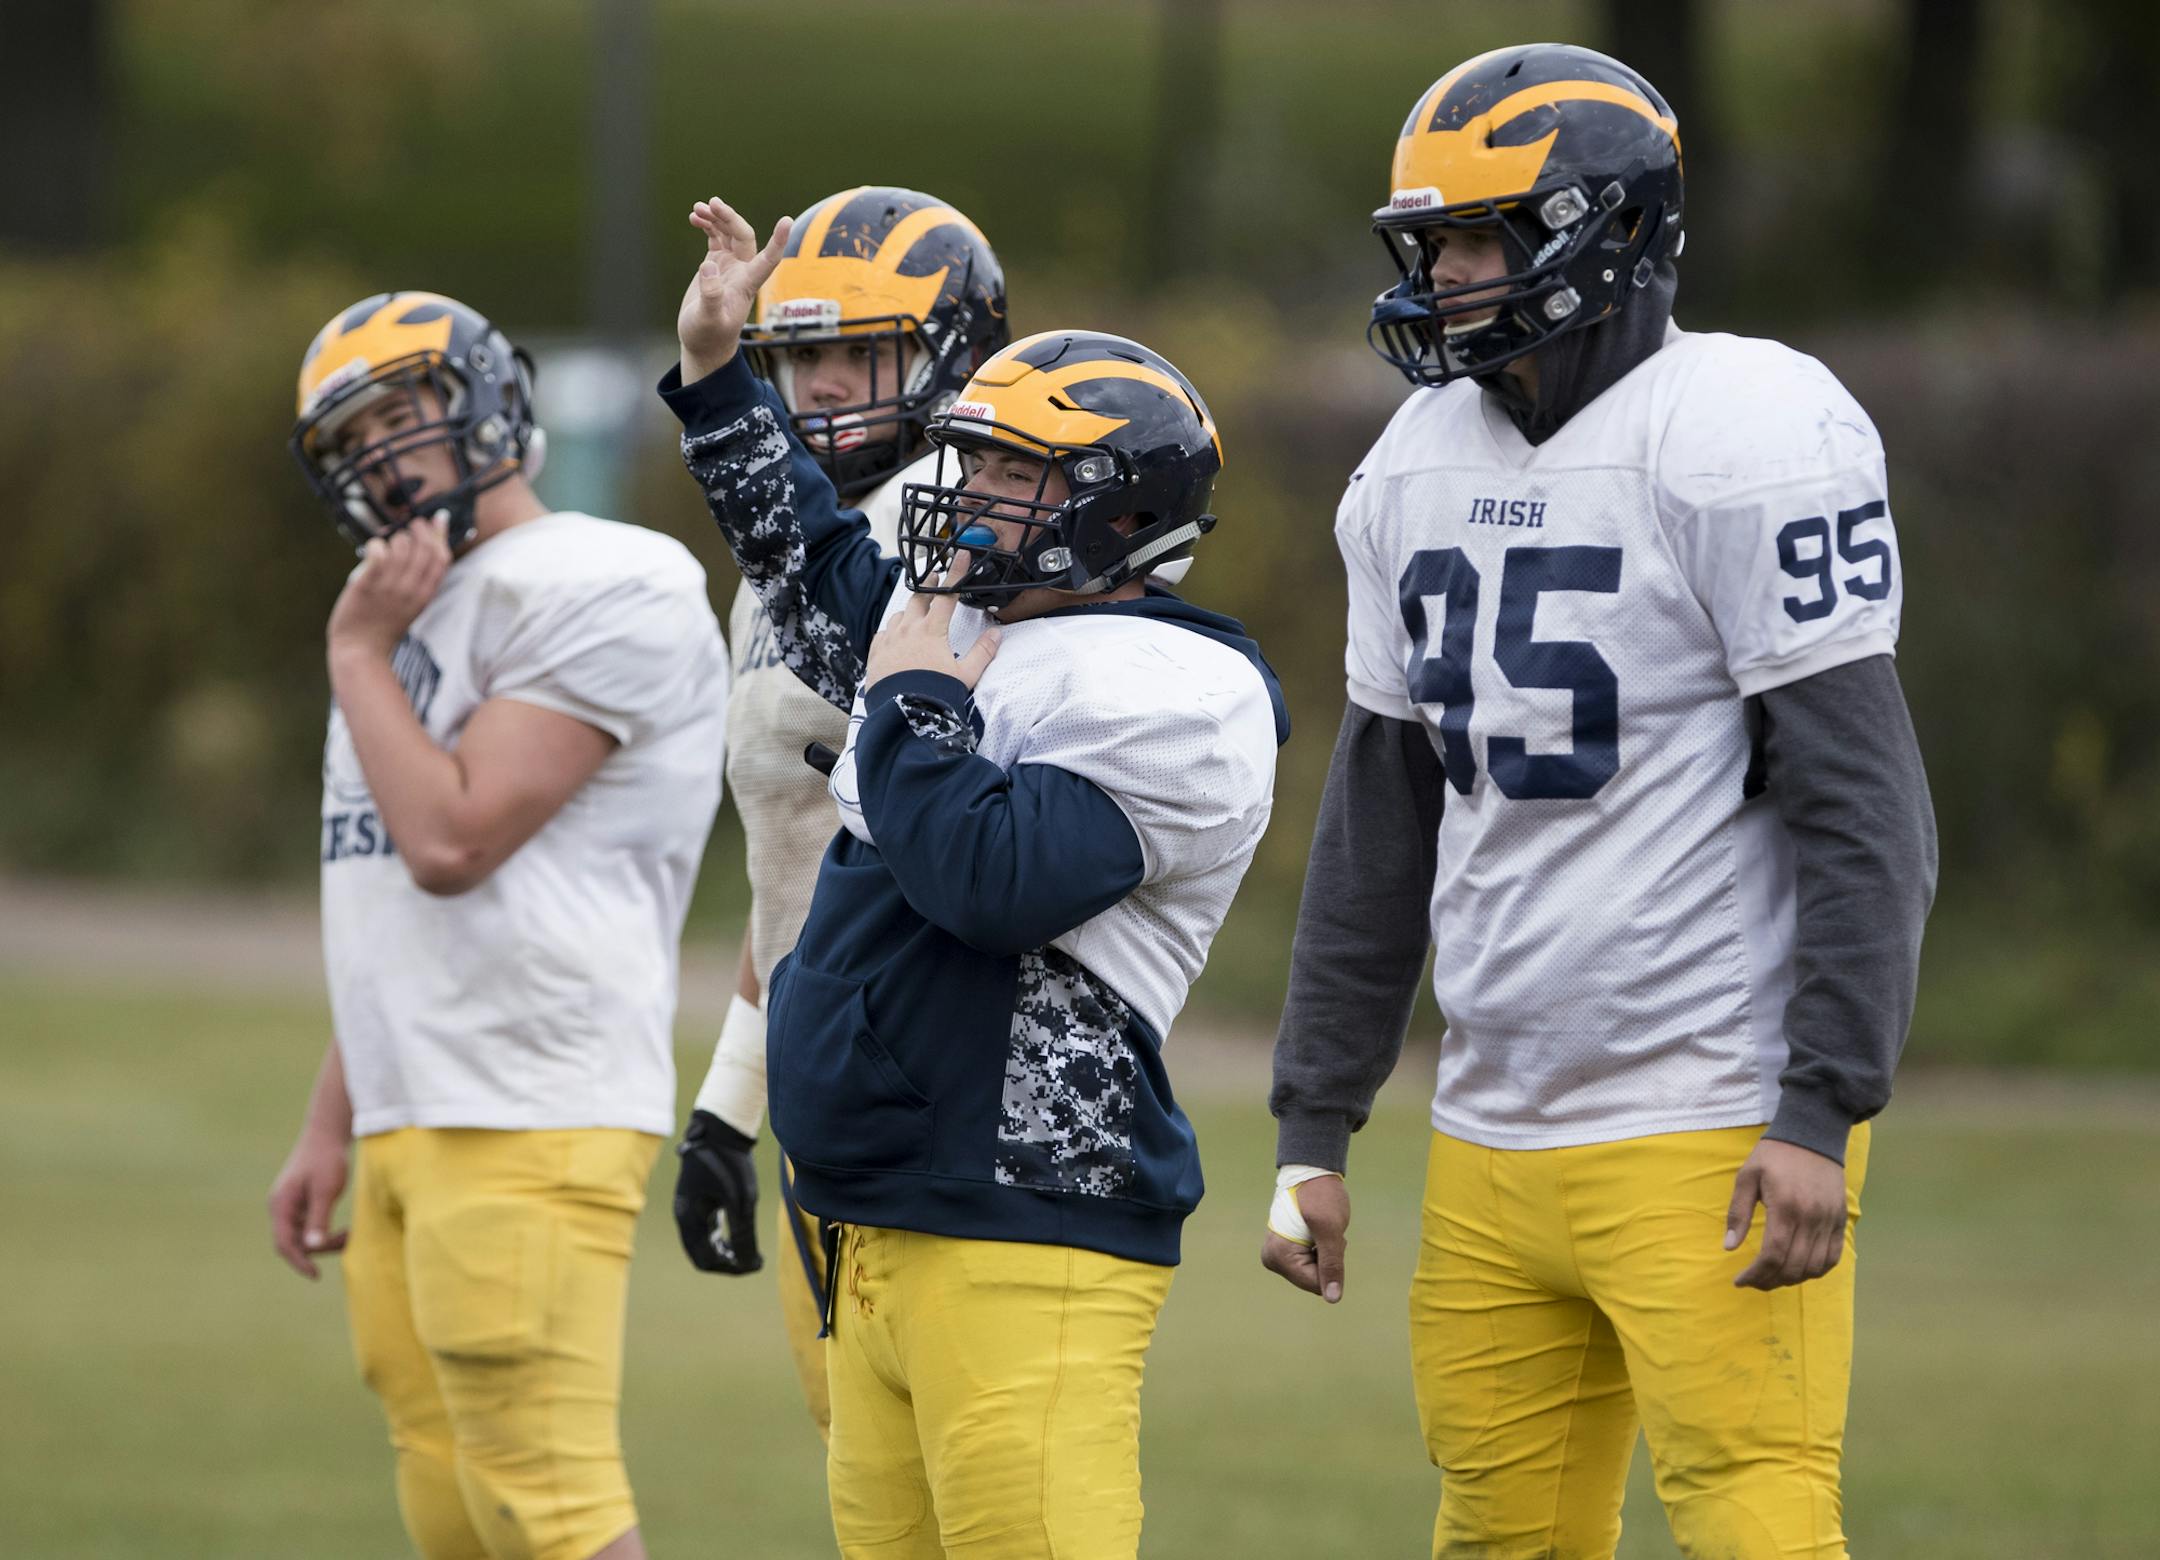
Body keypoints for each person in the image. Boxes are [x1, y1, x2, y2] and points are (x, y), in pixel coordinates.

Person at [1261, 44, 1937, 1560]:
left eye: (1479, 238)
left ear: (1604, 234)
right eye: (1429, 243)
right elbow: (1381, 823)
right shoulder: (1410, 463)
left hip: (1705, 1106)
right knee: (1498, 1538)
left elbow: (1864, 802)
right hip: (1495, 1119)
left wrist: (1821, 1105)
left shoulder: (1748, 426)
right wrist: (1318, 1119)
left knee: (1756, 1518)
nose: (1442, 275)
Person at [662, 195, 1285, 1559]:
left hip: (1022, 1224)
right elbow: (811, 551)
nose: (965, 500)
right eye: (970, 465)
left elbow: (988, 878)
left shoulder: (1181, 688)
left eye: (1010, 477)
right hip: (878, 1211)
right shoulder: (965, 618)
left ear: (1116, 508)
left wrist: (918, 706)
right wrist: (715, 377)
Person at [265, 291, 728, 1560]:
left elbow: (453, 841)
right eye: (349, 437)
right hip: (421, 1102)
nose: (379, 455)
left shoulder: (606, 577)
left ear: (487, 402)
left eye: (402, 414)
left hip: (530, 1100)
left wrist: (360, 657)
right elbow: (385, 900)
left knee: (547, 1499)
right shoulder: (407, 606)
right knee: (450, 1499)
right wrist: (332, 1119)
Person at [668, 186, 1010, 1448]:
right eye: (799, 356)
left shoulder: (965, 533)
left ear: (951, 352)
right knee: (867, 1487)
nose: (817, 389)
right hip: (826, 1083)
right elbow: (797, 867)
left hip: (943, 1096)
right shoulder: (778, 562)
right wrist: (727, 1105)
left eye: (855, 353)